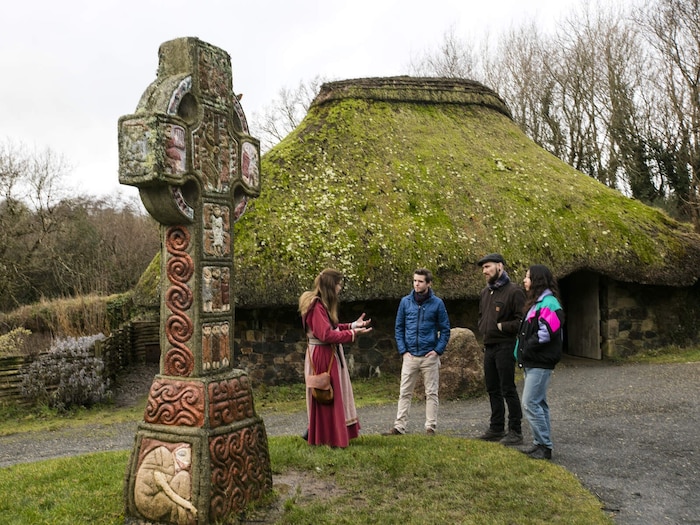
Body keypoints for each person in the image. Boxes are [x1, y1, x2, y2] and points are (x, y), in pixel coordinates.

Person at [298, 269, 372, 447]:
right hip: (322, 355)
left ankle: (327, 435)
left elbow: (332, 326)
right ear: (331, 286)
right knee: (326, 394)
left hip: (327, 353)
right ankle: (326, 436)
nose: (340, 288)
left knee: (331, 394)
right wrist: (353, 334)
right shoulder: (315, 306)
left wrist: (353, 325)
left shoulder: (321, 306)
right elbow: (326, 335)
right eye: (338, 284)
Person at [384, 268, 450, 435]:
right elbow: (399, 327)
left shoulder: (437, 304)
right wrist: (403, 351)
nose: (416, 284)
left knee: (431, 393)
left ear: (428, 283)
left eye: (420, 281)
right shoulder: (405, 302)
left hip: (429, 355)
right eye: (414, 281)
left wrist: (437, 350)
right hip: (410, 355)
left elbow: (445, 329)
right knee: (405, 392)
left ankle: (430, 427)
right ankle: (399, 426)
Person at [516, 264, 565, 460]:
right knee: (539, 403)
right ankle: (540, 443)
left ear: (536, 280)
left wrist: (527, 347)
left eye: (527, 277)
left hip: (540, 361)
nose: (524, 281)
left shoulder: (549, 304)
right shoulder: (538, 303)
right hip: (533, 361)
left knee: (529, 403)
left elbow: (546, 334)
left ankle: (545, 446)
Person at [476, 253, 525, 445]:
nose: (485, 271)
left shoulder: (514, 292)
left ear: (500, 266)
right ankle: (496, 428)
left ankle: (515, 430)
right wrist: (483, 327)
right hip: (489, 346)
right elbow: (482, 315)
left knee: (508, 388)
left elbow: (522, 321)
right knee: (492, 388)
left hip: (506, 345)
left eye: (488, 267)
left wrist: (501, 327)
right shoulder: (484, 293)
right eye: (483, 268)